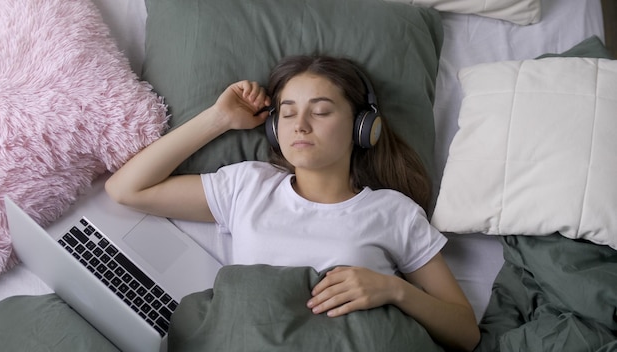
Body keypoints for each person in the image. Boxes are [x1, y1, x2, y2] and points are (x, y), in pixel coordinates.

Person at [105, 55, 480, 351]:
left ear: (363, 127)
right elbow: (127, 189)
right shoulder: (248, 186)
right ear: (273, 127)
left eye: (320, 111)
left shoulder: (394, 212)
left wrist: (394, 290)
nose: (300, 124)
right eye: (287, 112)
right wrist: (219, 118)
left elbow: (466, 332)